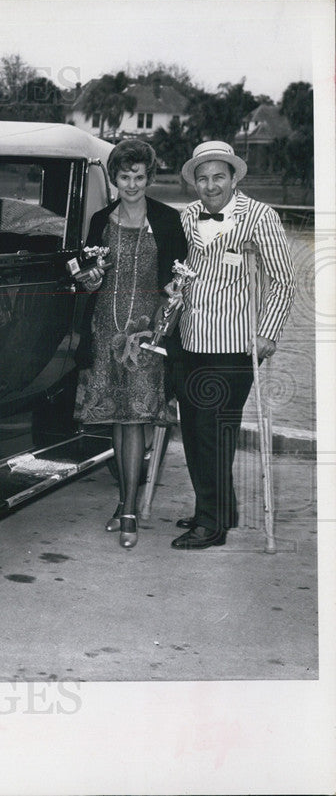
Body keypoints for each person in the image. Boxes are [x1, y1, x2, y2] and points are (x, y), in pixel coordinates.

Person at [169, 140, 294, 549]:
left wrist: (267, 332)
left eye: (218, 176)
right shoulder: (187, 217)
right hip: (189, 339)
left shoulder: (260, 216)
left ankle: (211, 523)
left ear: (233, 177)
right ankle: (220, 508)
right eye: (202, 178)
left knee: (214, 431)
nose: (210, 185)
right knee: (194, 429)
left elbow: (282, 280)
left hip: (234, 344)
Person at [74, 139, 187, 549]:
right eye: (125, 177)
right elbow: (88, 280)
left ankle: (128, 512)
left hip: (145, 333)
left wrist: (166, 316)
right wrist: (89, 279)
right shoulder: (100, 221)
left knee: (136, 418)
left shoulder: (168, 220)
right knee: (118, 419)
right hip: (106, 327)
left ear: (150, 178)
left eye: (140, 177)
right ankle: (126, 501)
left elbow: (176, 281)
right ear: (114, 178)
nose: (132, 184)